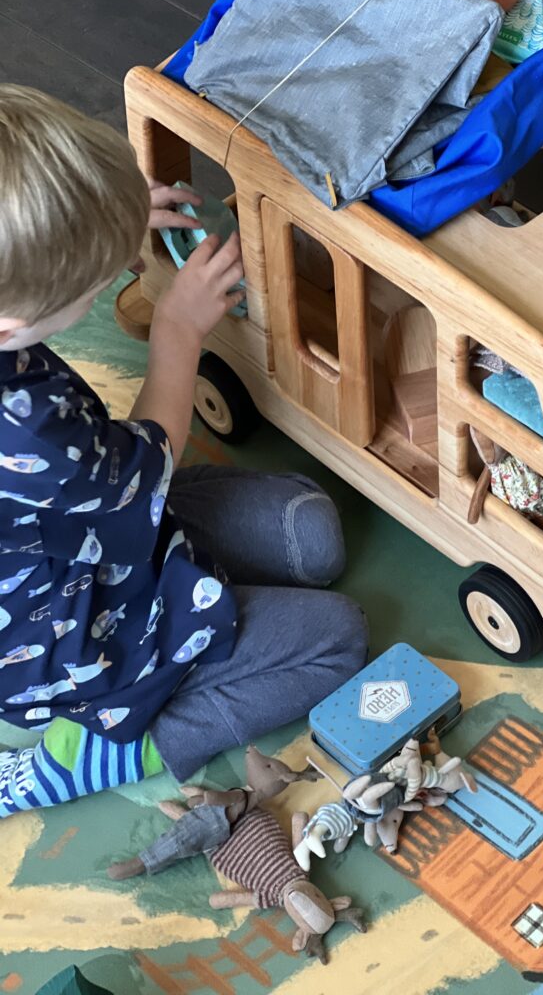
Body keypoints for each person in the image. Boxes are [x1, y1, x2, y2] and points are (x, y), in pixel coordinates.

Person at [0, 85, 367, 816]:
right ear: (11, 328)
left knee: (313, 532)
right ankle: (110, 746)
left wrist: (101, 211)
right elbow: (146, 461)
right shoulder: (30, 429)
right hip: (69, 638)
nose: (112, 280)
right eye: (97, 280)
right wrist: (176, 333)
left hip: (87, 531)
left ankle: (189, 617)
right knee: (338, 640)